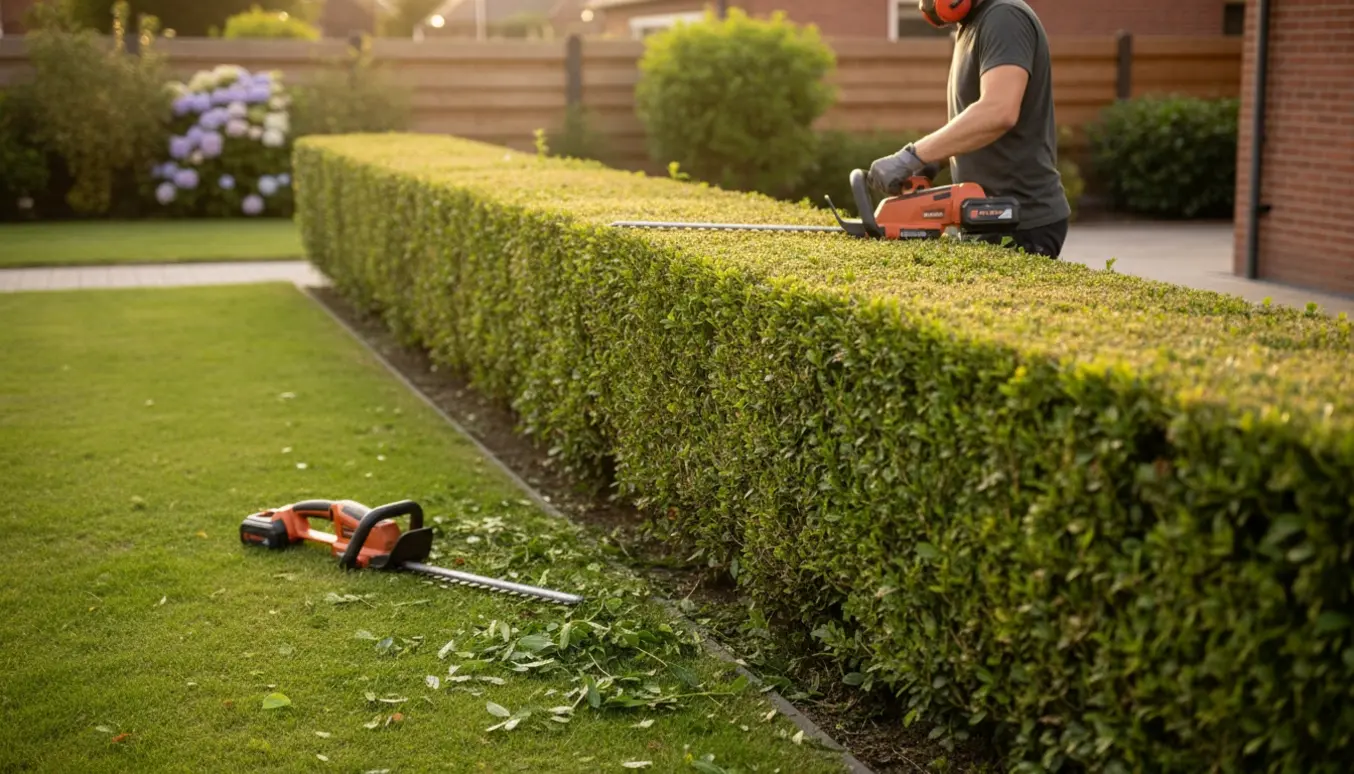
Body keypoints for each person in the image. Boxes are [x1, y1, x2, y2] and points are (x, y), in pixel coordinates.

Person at [867, 0, 1071, 259]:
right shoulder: (972, 25)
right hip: (985, 214)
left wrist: (912, 156)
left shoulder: (1004, 18)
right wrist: (931, 162)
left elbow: (998, 111)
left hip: (1020, 219)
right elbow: (973, 122)